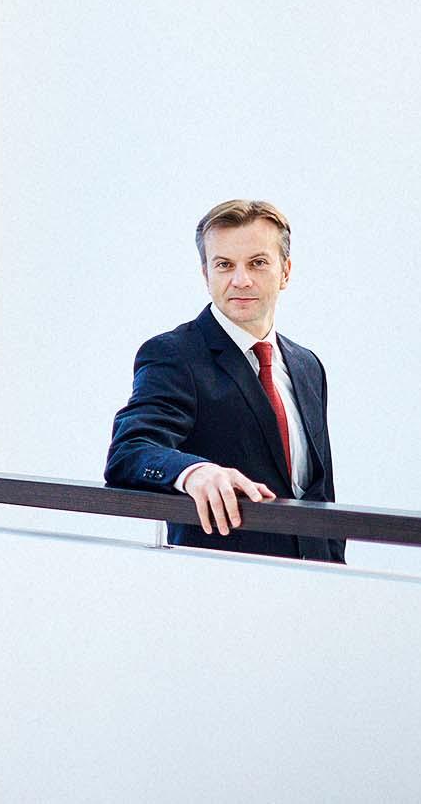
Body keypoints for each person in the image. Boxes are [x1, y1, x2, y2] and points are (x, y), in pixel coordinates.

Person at [105, 199, 344, 562]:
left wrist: (335, 572)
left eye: (258, 263)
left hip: (314, 580)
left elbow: (319, 491)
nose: (241, 280)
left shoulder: (307, 365)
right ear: (206, 274)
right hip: (222, 579)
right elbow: (130, 450)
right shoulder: (175, 355)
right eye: (224, 265)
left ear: (285, 271)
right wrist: (193, 472)